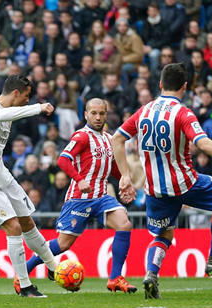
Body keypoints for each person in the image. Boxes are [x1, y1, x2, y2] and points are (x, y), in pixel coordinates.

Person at [111, 62, 212, 300]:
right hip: (184, 182)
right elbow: (204, 144)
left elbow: (116, 139)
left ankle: (151, 274)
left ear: (160, 85)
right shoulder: (183, 113)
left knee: (163, 235)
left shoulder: (144, 110)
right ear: (185, 86)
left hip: (154, 189)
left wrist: (126, 177)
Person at [24, 98, 137, 294]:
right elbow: (63, 160)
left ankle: (115, 278)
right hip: (79, 198)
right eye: (93, 113)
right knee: (63, 244)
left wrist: (125, 183)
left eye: (102, 113)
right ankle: (23, 272)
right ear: (86, 114)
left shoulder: (108, 139)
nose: (98, 117)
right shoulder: (82, 136)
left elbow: (111, 167)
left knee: (124, 225)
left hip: (101, 197)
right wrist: (79, 179)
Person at [0, 74, 57, 298]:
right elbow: (1, 114)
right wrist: (38, 108)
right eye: (26, 96)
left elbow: (6, 116)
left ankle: (54, 268)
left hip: (1, 176)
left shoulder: (5, 115)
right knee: (13, 228)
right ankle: (25, 286)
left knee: (27, 222)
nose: (27, 100)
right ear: (16, 93)